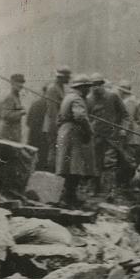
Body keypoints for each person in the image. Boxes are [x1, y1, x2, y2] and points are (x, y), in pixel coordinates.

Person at [55, 74, 96, 207]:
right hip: (73, 134)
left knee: (67, 167)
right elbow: (80, 117)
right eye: (87, 87)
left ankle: (67, 197)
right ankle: (69, 198)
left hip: (65, 131)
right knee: (74, 167)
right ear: (82, 87)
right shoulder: (77, 99)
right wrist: (89, 131)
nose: (89, 90)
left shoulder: (68, 96)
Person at [86, 73, 129, 196]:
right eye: (93, 85)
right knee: (95, 163)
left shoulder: (113, 96)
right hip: (96, 136)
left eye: (98, 85)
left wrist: (123, 129)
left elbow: (125, 115)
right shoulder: (89, 100)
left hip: (112, 136)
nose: (96, 88)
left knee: (110, 163)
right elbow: (86, 118)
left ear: (102, 85)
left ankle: (111, 190)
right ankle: (95, 189)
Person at [31, 66, 71, 171]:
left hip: (58, 125)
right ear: (61, 77)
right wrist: (56, 127)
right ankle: (51, 172)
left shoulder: (60, 88)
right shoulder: (53, 89)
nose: (69, 79)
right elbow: (52, 112)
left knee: (57, 151)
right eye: (67, 77)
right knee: (53, 151)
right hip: (53, 126)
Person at [0, 73, 27, 142]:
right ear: (12, 83)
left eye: (22, 83)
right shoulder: (10, 97)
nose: (21, 85)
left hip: (12, 133)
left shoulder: (16, 97)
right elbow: (5, 115)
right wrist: (21, 112)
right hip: (7, 134)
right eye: (18, 82)